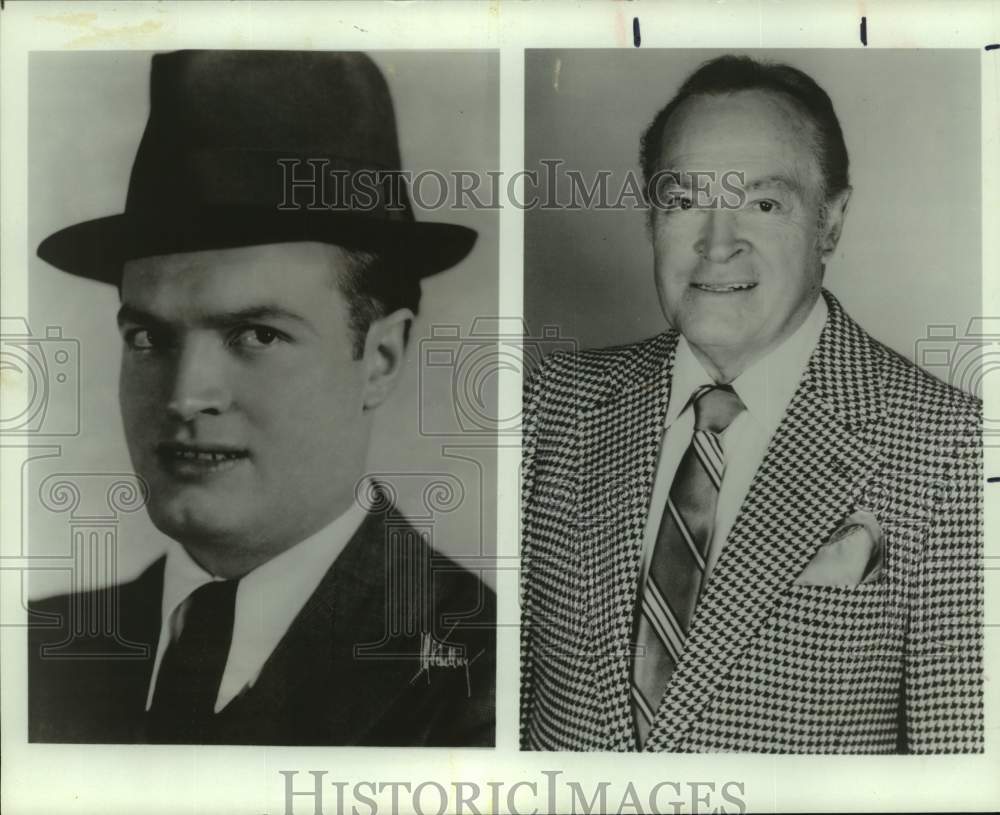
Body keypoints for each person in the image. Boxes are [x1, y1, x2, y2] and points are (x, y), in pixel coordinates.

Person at [29, 50, 495, 746]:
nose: (186, 396)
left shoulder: (492, 674)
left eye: (257, 335)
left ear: (381, 359)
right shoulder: (35, 652)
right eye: (150, 338)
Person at [520, 55, 982, 753]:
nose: (717, 245)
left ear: (830, 222)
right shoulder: (553, 403)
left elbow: (958, 778)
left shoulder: (951, 447)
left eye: (763, 205)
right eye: (684, 202)